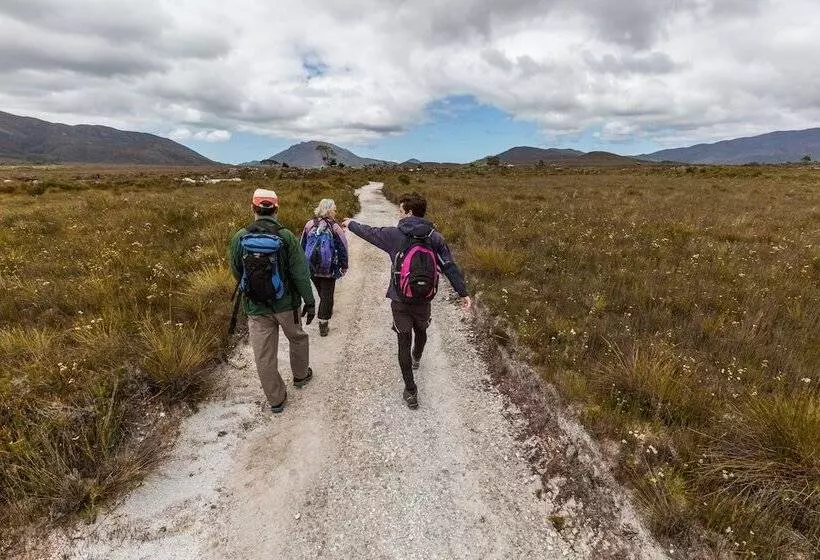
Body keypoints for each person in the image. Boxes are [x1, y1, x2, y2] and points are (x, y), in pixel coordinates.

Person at [342, 192, 471, 409]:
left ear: (409, 212)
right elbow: (448, 266)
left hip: (400, 298)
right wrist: (463, 292)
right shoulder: (435, 237)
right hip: (424, 300)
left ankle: (410, 391)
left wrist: (351, 223)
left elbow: (370, 233)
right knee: (421, 331)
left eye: (400, 210)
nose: (398, 214)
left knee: (403, 339)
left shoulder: (395, 235)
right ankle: (418, 357)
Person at [228, 188, 316, 413]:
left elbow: (237, 271)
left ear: (253, 208)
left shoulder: (240, 237)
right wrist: (309, 300)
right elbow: (300, 273)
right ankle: (300, 376)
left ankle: (276, 399)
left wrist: (254, 288)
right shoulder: (286, 237)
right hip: (286, 304)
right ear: (276, 209)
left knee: (264, 354)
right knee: (297, 338)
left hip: (256, 306)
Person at [301, 199, 349, 337]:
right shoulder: (335, 227)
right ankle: (323, 322)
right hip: (329, 269)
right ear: (328, 210)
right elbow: (343, 248)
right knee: (327, 296)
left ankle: (325, 310)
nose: (335, 211)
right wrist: (344, 266)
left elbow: (302, 245)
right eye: (334, 209)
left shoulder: (309, 224)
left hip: (312, 268)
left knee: (322, 293)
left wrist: (303, 264)